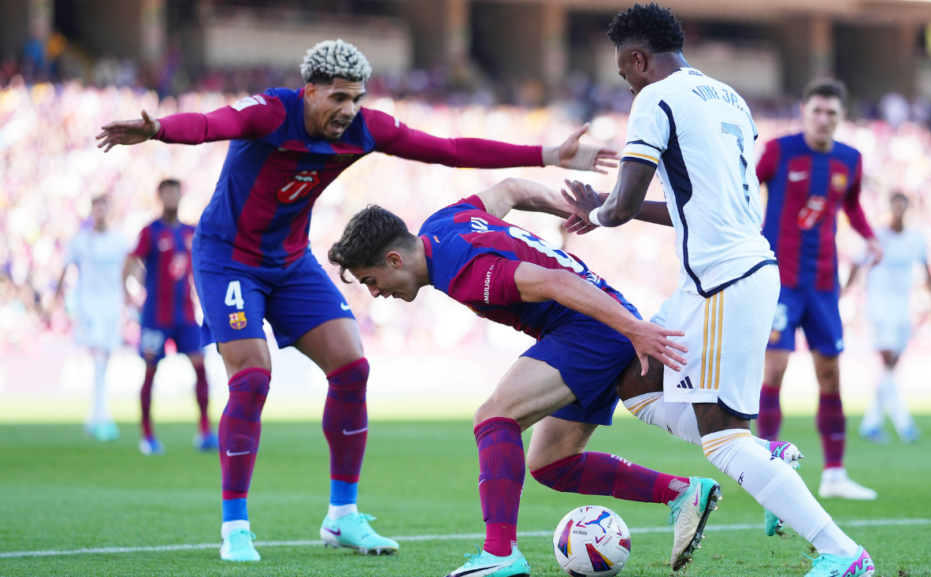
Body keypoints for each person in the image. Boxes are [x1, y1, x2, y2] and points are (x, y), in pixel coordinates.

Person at [95, 39, 616, 562]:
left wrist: (548, 155)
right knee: (253, 376)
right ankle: (235, 525)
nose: (349, 110)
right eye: (339, 98)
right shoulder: (275, 110)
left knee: (352, 368)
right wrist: (159, 130)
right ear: (310, 91)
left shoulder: (366, 130)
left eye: (357, 99)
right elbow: (213, 123)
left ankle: (341, 516)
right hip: (228, 258)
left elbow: (451, 150)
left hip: (290, 260)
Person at [560, 5, 875, 576]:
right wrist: (611, 211)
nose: (624, 80)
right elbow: (693, 203)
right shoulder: (729, 97)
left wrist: (598, 214)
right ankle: (768, 457)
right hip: (712, 278)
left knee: (722, 440)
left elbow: (625, 202)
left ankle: (843, 554)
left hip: (727, 278)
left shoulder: (654, 98)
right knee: (634, 381)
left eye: (623, 69)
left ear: (638, 58)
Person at [330, 177, 721, 577]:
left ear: (394, 260)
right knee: (552, 463)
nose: (375, 294)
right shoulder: (443, 222)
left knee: (494, 416)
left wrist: (633, 329)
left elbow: (557, 282)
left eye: (371, 282)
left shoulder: (464, 269)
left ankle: (500, 553)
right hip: (595, 320)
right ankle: (681, 492)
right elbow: (513, 189)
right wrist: (571, 210)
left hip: (590, 325)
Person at [754, 78, 882, 501]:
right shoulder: (778, 151)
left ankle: (835, 473)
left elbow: (851, 205)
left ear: (840, 117)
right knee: (774, 369)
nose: (824, 119)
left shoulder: (850, 160)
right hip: (781, 283)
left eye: (832, 113)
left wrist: (869, 236)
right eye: (817, 111)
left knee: (831, 375)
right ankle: (764, 469)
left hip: (824, 285)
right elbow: (746, 188)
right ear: (803, 111)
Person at [123, 179, 216, 456]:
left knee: (200, 367)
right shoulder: (150, 232)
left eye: (175, 192)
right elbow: (130, 261)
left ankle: (204, 430)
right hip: (155, 317)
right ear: (159, 197)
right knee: (150, 372)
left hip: (186, 315)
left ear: (180, 196)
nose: (171, 197)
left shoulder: (191, 232)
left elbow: (204, 263)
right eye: (166, 193)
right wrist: (128, 295)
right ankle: (148, 435)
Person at [846, 193, 931, 444]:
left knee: (890, 368)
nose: (898, 209)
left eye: (902, 205)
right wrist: (846, 289)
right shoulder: (876, 236)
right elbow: (856, 264)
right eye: (895, 204)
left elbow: (927, 271)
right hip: (878, 306)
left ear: (907, 208)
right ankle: (904, 423)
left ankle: (871, 424)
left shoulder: (915, 239)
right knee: (887, 360)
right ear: (890, 207)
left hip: (901, 309)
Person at [55, 195, 130, 443]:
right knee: (98, 355)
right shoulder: (81, 240)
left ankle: (94, 417)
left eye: (104, 206)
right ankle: (102, 418)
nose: (100, 211)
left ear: (109, 210)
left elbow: (132, 266)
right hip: (89, 304)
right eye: (96, 207)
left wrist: (138, 291)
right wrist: (55, 298)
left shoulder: (119, 239)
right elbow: (66, 268)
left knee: (104, 358)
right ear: (91, 211)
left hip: (112, 305)